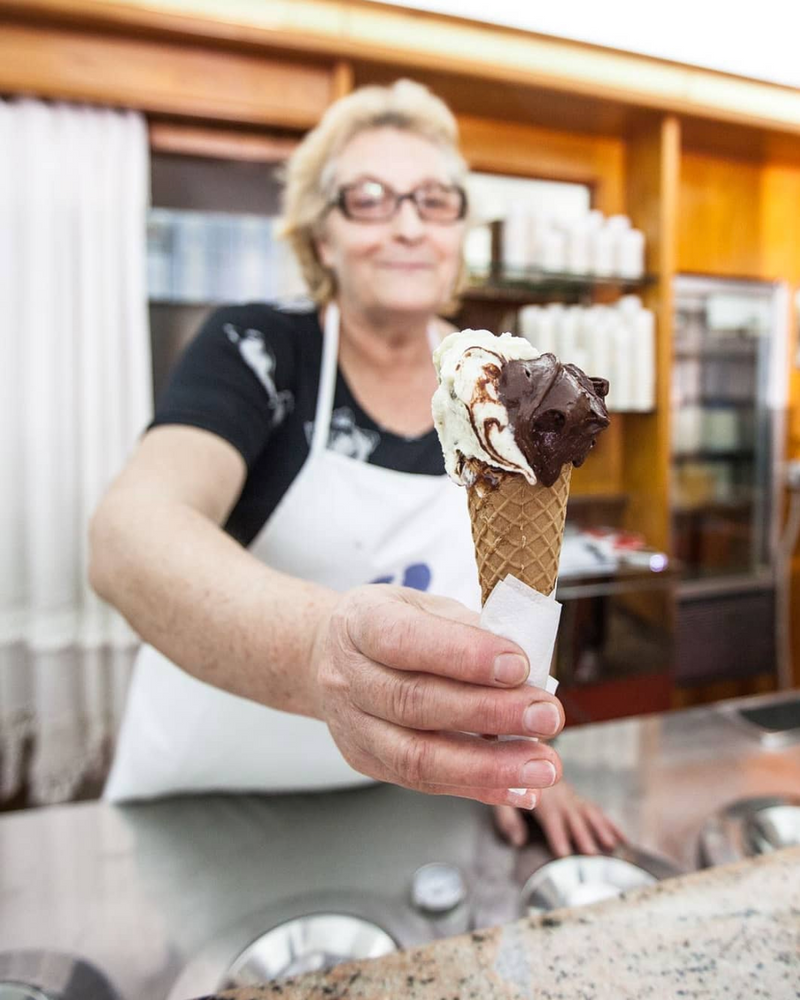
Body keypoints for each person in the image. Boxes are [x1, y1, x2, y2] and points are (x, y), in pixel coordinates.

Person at [90, 79, 623, 856]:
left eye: (434, 200)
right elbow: (128, 535)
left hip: (406, 800)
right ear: (321, 240)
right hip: (209, 804)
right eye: (368, 200)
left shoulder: (502, 386)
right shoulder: (257, 349)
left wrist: (517, 740)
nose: (407, 224)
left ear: (458, 234)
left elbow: (511, 597)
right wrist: (319, 650)